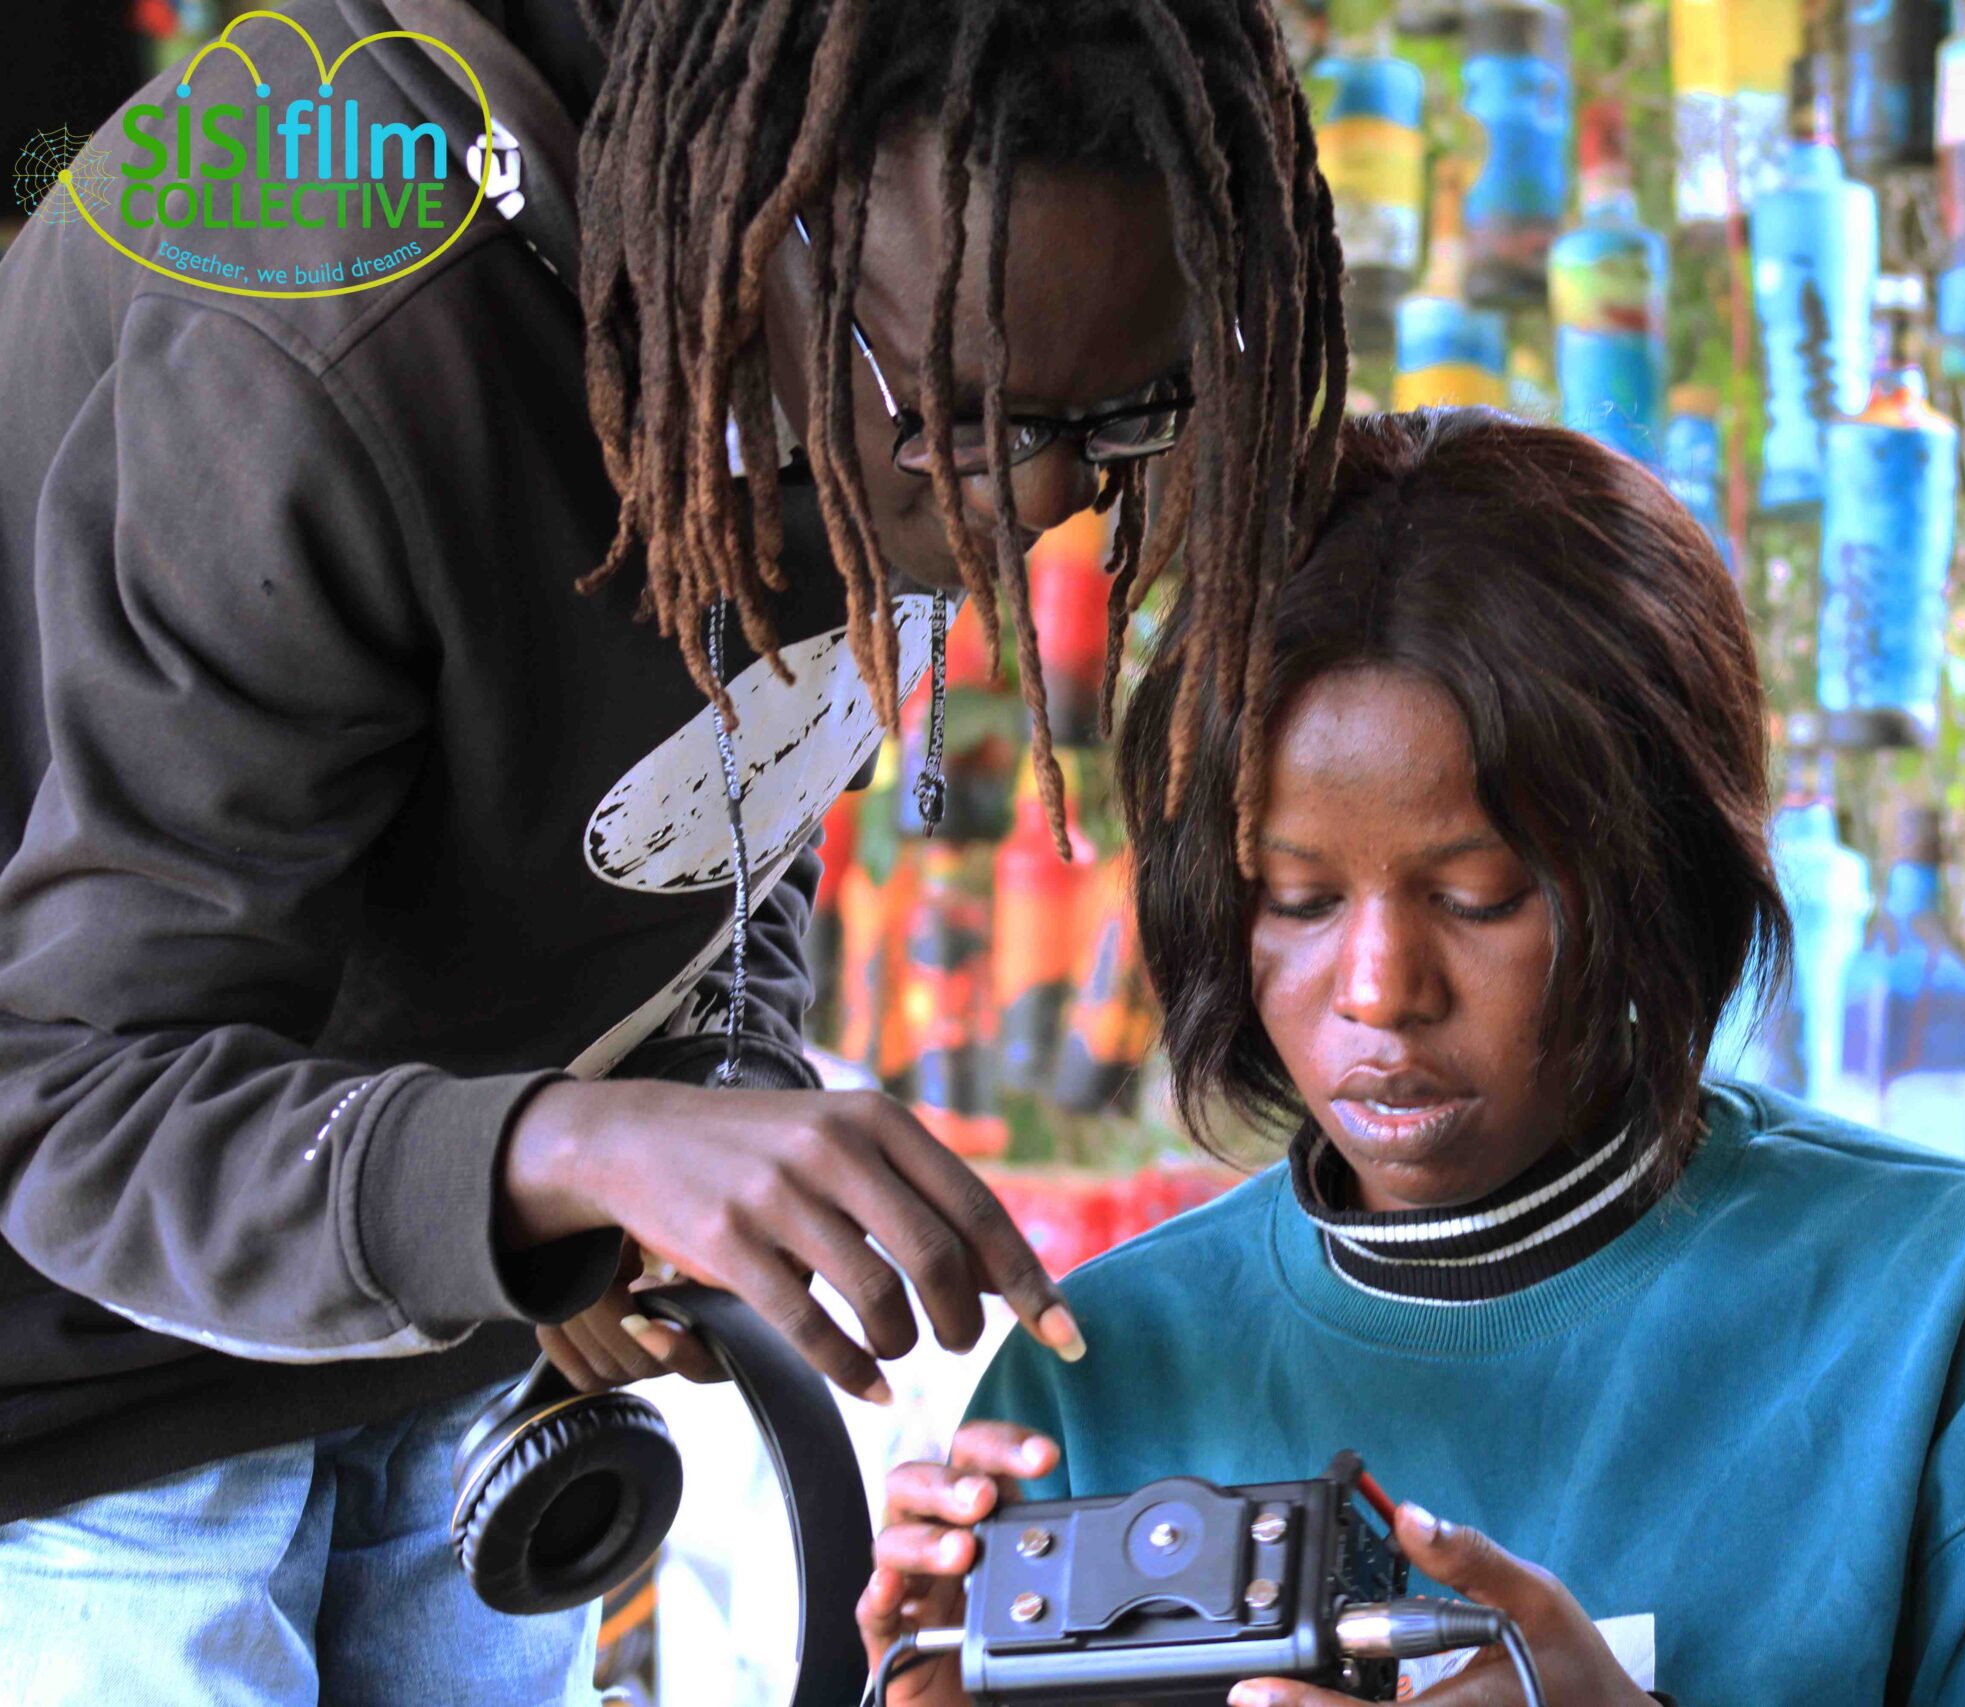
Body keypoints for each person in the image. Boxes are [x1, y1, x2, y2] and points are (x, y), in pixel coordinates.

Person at [0, 0, 1343, 1699]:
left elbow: (720, 811)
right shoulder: (329, 315)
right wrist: (564, 1154)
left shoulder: (888, 336)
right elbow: (60, 1093)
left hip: (434, 1343)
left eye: (1123, 413)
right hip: (74, 1410)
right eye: (959, 419)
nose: (1032, 503)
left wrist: (698, 1113)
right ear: (753, 227)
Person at [861, 410, 1965, 1705]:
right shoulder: (1099, 1381)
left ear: (1656, 879)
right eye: (1298, 900)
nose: (1381, 989)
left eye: (1478, 896)